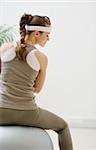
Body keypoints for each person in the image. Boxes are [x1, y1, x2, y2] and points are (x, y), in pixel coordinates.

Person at [0, 13, 73, 150]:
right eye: (47, 35)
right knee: (63, 126)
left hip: (2, 112)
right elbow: (37, 89)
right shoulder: (41, 58)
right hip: (28, 113)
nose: (48, 39)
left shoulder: (4, 48)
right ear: (37, 33)